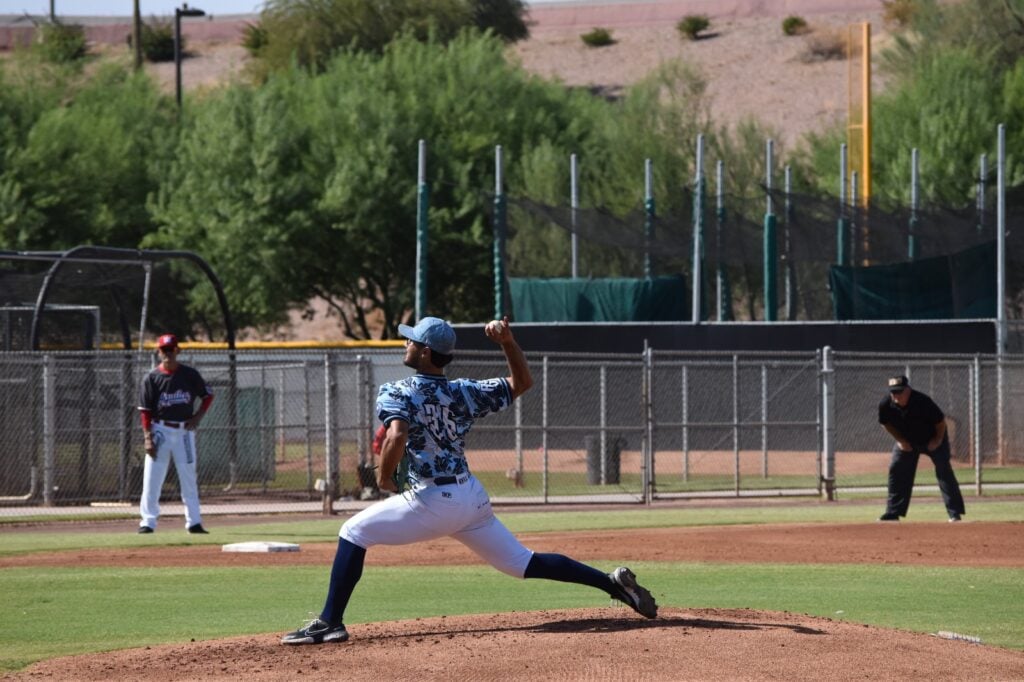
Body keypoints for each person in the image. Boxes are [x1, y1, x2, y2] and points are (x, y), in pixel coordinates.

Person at [281, 316, 657, 645]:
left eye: (412, 339)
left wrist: (383, 478)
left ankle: (330, 622)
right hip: (470, 497)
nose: (406, 342)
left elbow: (396, 435)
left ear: (426, 352)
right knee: (521, 563)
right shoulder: (463, 391)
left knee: (353, 531)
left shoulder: (398, 390)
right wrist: (508, 342)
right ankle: (613, 585)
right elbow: (522, 382)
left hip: (433, 500)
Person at [137, 334, 214, 534]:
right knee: (152, 478)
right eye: (164, 350)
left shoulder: (189, 375)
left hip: (183, 432)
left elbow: (208, 395)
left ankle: (194, 522)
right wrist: (147, 437)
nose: (168, 353)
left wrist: (197, 416)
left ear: (177, 351)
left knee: (188, 477)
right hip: (160, 430)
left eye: (171, 349)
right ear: (159, 351)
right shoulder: (152, 378)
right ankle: (148, 522)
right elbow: (145, 411)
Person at [877, 374, 965, 523]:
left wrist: (937, 440)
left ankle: (954, 512)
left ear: (908, 390)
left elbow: (940, 422)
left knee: (944, 470)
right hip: (907, 441)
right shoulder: (886, 404)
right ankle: (893, 513)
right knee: (897, 468)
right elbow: (885, 424)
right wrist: (900, 440)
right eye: (893, 392)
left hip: (932, 438)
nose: (896, 396)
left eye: (899, 391)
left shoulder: (923, 401)